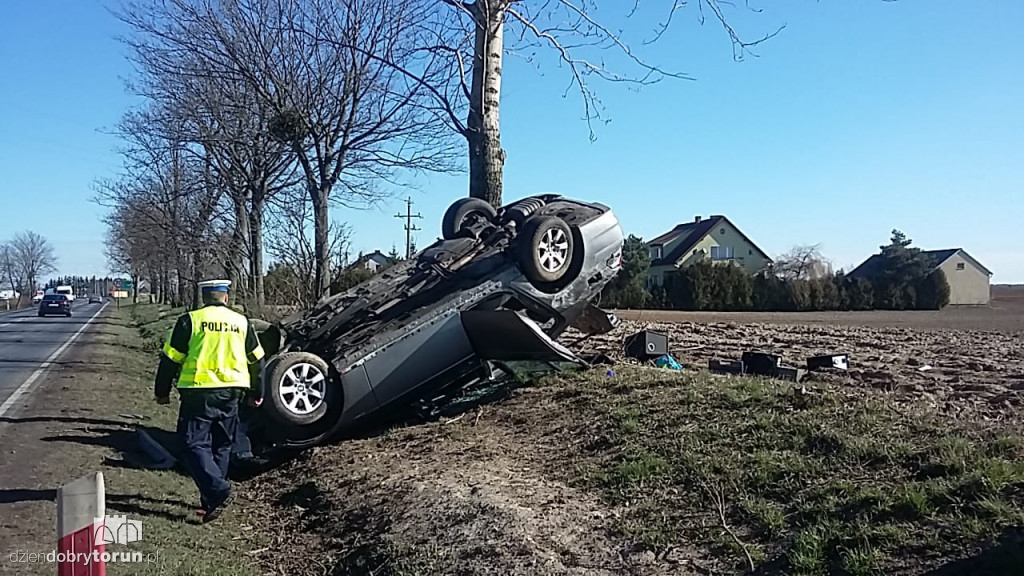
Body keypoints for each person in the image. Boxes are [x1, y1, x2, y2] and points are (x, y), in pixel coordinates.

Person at [154, 279, 265, 523]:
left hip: (199, 392)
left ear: (204, 297)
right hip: (232, 393)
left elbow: (170, 359)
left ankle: (218, 491)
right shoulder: (241, 322)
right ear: (225, 297)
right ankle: (212, 501)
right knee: (222, 445)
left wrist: (162, 391)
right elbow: (257, 360)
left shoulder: (190, 321)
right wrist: (258, 392)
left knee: (191, 443)